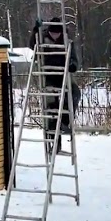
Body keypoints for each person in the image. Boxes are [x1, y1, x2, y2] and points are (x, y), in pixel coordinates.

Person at [28, 17, 80, 147]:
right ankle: (54, 141)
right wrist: (35, 30)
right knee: (52, 106)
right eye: (53, 33)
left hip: (63, 75)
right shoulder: (43, 38)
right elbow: (32, 45)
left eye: (57, 33)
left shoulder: (67, 41)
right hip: (49, 75)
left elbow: (74, 59)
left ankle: (64, 122)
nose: (55, 36)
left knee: (74, 93)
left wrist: (72, 65)